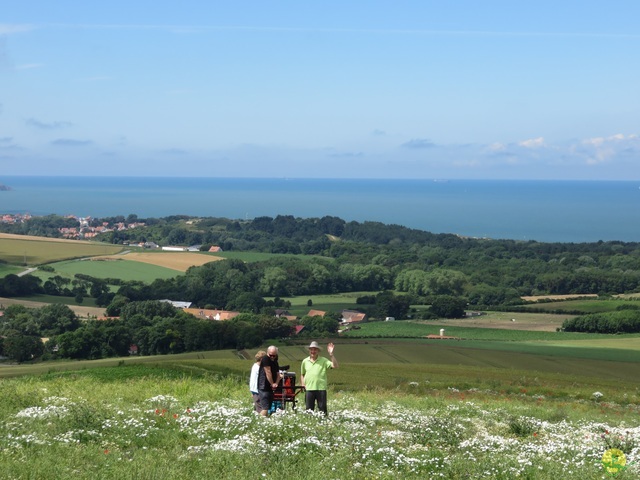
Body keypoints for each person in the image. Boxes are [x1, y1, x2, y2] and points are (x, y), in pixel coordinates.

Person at [300, 341, 338, 415]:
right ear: (309, 350)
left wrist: (331, 354)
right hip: (309, 388)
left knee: (322, 409)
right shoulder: (305, 361)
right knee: (309, 410)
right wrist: (302, 384)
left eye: (315, 349)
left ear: (318, 351)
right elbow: (302, 374)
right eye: (311, 349)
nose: (313, 351)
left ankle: (323, 423)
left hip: (321, 388)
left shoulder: (323, 360)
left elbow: (335, 366)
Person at [257, 345, 282, 416]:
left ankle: (264, 420)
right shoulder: (265, 359)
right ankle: (259, 421)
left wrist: (276, 383)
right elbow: (268, 372)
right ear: (268, 353)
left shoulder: (275, 361)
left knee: (268, 407)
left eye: (274, 355)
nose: (272, 357)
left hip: (270, 388)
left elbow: (278, 374)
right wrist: (272, 383)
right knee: (265, 407)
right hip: (264, 386)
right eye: (271, 355)